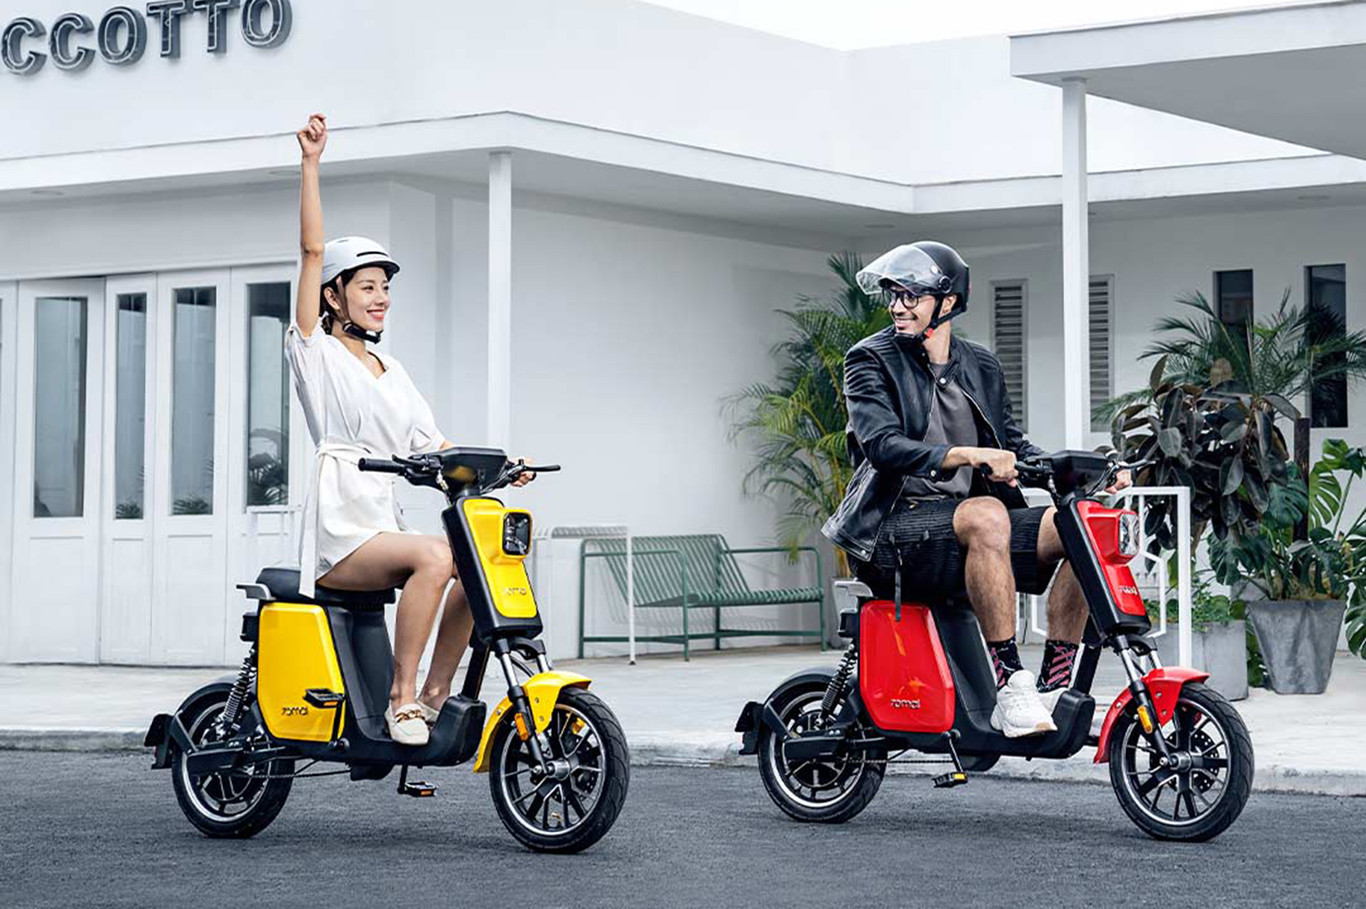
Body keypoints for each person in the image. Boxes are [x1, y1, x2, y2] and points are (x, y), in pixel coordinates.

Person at [288, 113, 535, 747]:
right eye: (367, 287)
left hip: (382, 523)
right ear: (333, 296)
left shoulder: (390, 370)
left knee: (476, 557)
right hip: (340, 531)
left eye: (385, 289)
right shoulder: (315, 352)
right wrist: (311, 164)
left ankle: (433, 695)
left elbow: (435, 445)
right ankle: (401, 698)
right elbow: (312, 253)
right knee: (435, 555)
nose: (381, 298)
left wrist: (503, 468)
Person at [822, 240, 1131, 737]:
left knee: (1082, 527)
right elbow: (881, 445)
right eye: (893, 295)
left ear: (947, 302)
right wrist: (967, 455)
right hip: (893, 529)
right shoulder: (870, 360)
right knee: (986, 512)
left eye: (911, 295)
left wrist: (1089, 472)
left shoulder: (980, 365)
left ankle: (1052, 683)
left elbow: (1010, 444)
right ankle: (1011, 685)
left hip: (969, 529)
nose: (898, 306)